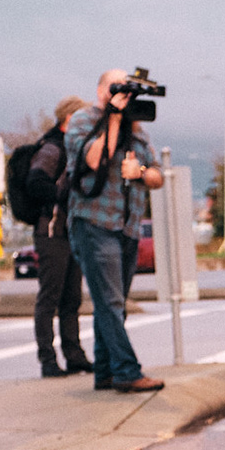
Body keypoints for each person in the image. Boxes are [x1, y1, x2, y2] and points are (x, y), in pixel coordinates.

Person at [64, 69, 165, 395]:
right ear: (100, 90)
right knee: (109, 301)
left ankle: (105, 372)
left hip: (128, 227)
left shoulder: (137, 130)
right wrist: (113, 117)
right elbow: (94, 160)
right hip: (94, 222)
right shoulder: (83, 120)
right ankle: (126, 372)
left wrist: (142, 171)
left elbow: (158, 178)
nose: (121, 94)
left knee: (114, 304)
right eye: (115, 87)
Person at [23, 96, 92, 379]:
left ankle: (75, 356)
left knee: (71, 298)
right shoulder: (52, 148)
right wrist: (65, 195)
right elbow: (35, 183)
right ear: (69, 120)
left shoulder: (72, 147)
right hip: (51, 232)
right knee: (49, 298)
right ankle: (48, 360)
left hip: (70, 231)